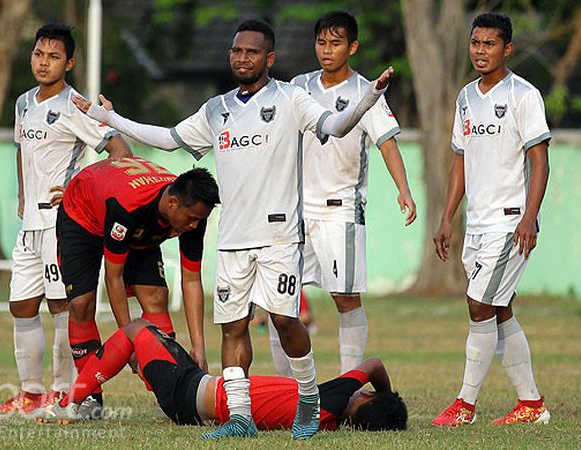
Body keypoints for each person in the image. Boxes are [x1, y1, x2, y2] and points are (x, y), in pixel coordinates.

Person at [72, 19, 394, 440]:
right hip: (232, 241)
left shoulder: (291, 98)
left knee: (283, 319)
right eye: (237, 51)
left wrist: (369, 97)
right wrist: (108, 118)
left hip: (279, 235)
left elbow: (333, 127)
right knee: (233, 327)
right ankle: (240, 417)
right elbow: (167, 138)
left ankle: (310, 398)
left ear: (269, 58)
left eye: (252, 52)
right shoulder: (217, 108)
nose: (242, 58)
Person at [0, 22, 131, 414]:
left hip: (61, 225)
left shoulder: (75, 106)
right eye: (38, 54)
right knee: (20, 305)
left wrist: (80, 191)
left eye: (53, 57)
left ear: (68, 63)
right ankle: (30, 393)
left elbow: (120, 150)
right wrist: (23, 194)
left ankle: (61, 390)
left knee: (61, 308)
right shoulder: (23, 103)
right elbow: (21, 148)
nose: (43, 62)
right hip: (30, 226)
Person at [269, 11, 417, 378]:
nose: (327, 50)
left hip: (341, 212)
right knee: (279, 299)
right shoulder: (298, 87)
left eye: (335, 43)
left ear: (352, 47)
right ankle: (285, 387)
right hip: (295, 211)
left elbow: (387, 144)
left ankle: (348, 384)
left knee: (346, 299)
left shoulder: (365, 92)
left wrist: (404, 190)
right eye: (321, 42)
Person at [431, 13, 551, 426]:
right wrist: (447, 217)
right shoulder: (466, 97)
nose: (480, 51)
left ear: (507, 48)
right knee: (499, 311)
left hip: (510, 222)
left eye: (489, 44)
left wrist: (530, 217)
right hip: (477, 224)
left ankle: (465, 404)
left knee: (478, 305)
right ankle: (531, 404)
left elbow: (540, 160)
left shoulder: (524, 95)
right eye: (475, 43)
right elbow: (459, 161)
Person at [34, 318, 407, 434]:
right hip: (192, 399)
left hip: (190, 391)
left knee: (136, 330)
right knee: (150, 342)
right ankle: (133, 373)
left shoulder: (334, 398)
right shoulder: (326, 421)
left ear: (367, 397)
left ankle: (71, 401)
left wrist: (386, 393)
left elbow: (373, 363)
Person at [58, 157, 219, 418]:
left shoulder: (191, 214)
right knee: (81, 304)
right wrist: (128, 341)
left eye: (200, 221)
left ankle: (169, 395)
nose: (194, 226)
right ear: (172, 203)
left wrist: (198, 346)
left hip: (137, 224)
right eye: (191, 219)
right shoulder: (128, 207)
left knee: (156, 297)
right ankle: (89, 397)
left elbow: (191, 280)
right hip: (83, 215)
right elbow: (114, 278)